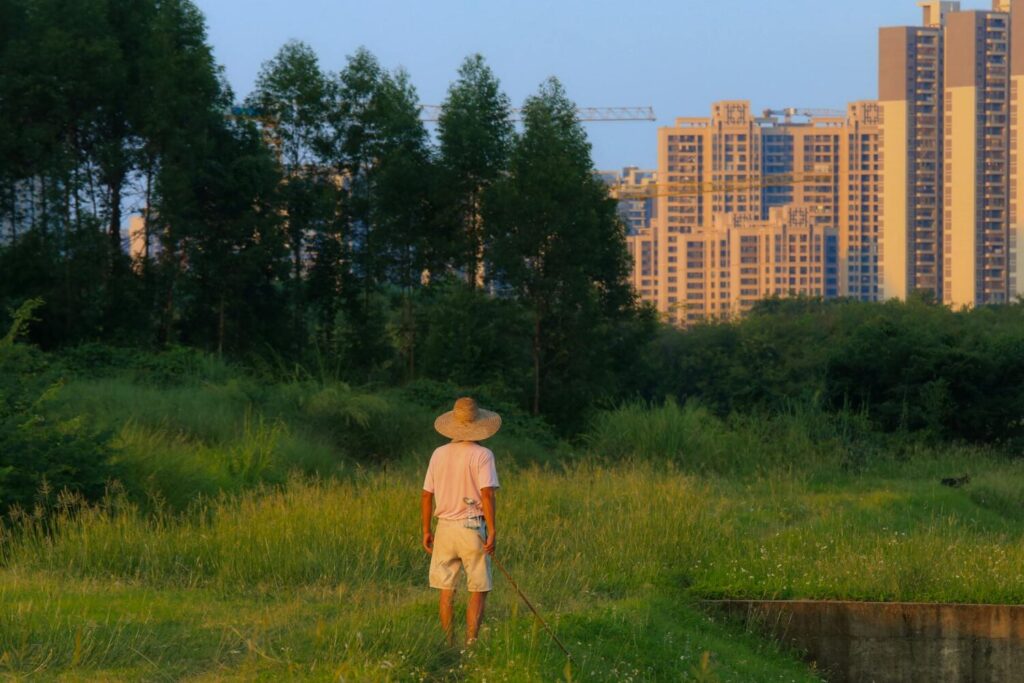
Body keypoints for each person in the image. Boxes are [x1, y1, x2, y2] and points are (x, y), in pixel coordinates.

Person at [421, 397, 501, 646]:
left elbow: (426, 495)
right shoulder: (483, 455)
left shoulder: (438, 454)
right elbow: (486, 494)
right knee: (478, 588)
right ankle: (471, 644)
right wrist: (492, 530)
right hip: (472, 527)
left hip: (444, 528)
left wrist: (426, 530)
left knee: (447, 589)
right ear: (479, 426)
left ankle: (448, 642)